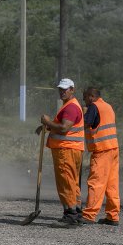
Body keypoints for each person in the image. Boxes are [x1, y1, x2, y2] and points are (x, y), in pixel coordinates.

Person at [40, 78, 85, 228]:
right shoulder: (70, 105)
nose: (62, 91)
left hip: (66, 150)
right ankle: (77, 213)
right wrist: (48, 128)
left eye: (65, 89)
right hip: (72, 149)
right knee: (72, 181)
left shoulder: (71, 107)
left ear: (72, 89)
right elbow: (61, 127)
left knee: (66, 182)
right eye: (60, 89)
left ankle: (70, 214)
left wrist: (47, 122)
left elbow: (64, 128)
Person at [80, 87, 120, 226]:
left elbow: (86, 123)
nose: (84, 101)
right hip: (113, 148)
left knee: (96, 183)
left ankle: (89, 215)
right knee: (111, 184)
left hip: (102, 150)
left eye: (85, 98)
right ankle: (113, 215)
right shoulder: (108, 106)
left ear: (91, 96)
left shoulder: (94, 106)